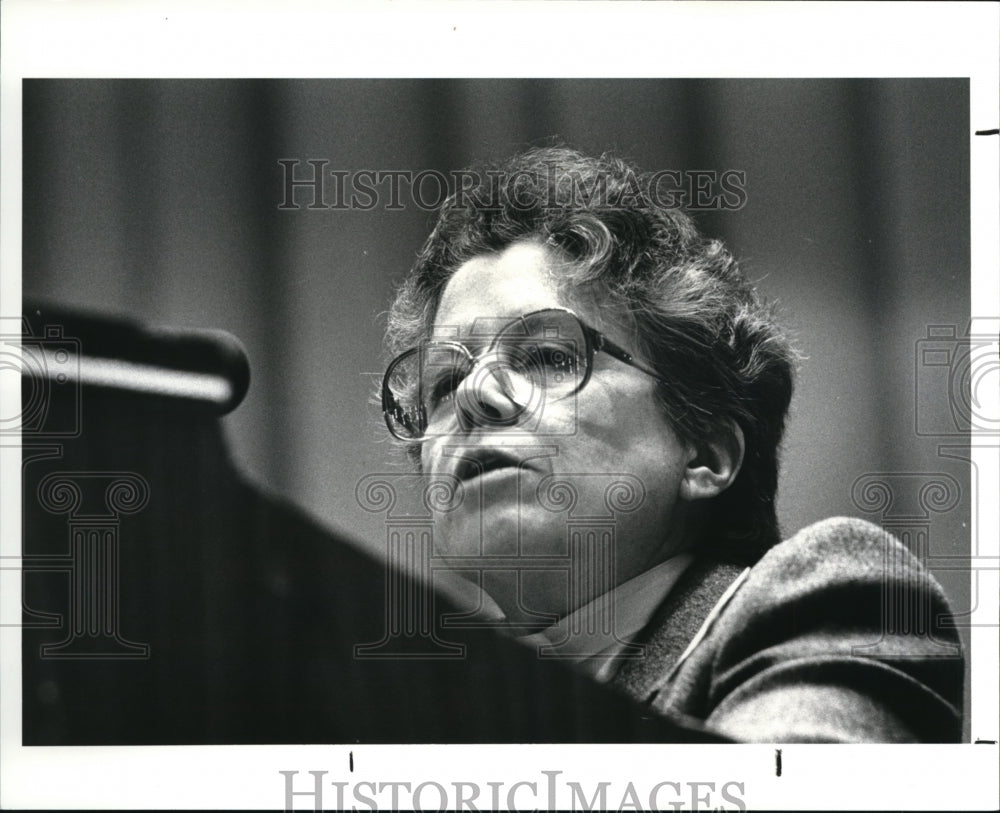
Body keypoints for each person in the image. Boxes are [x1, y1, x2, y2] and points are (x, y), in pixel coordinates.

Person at [378, 146, 963, 742]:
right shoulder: (411, 703)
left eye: (549, 356)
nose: (475, 391)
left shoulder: (830, 603)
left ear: (705, 453)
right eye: (445, 381)